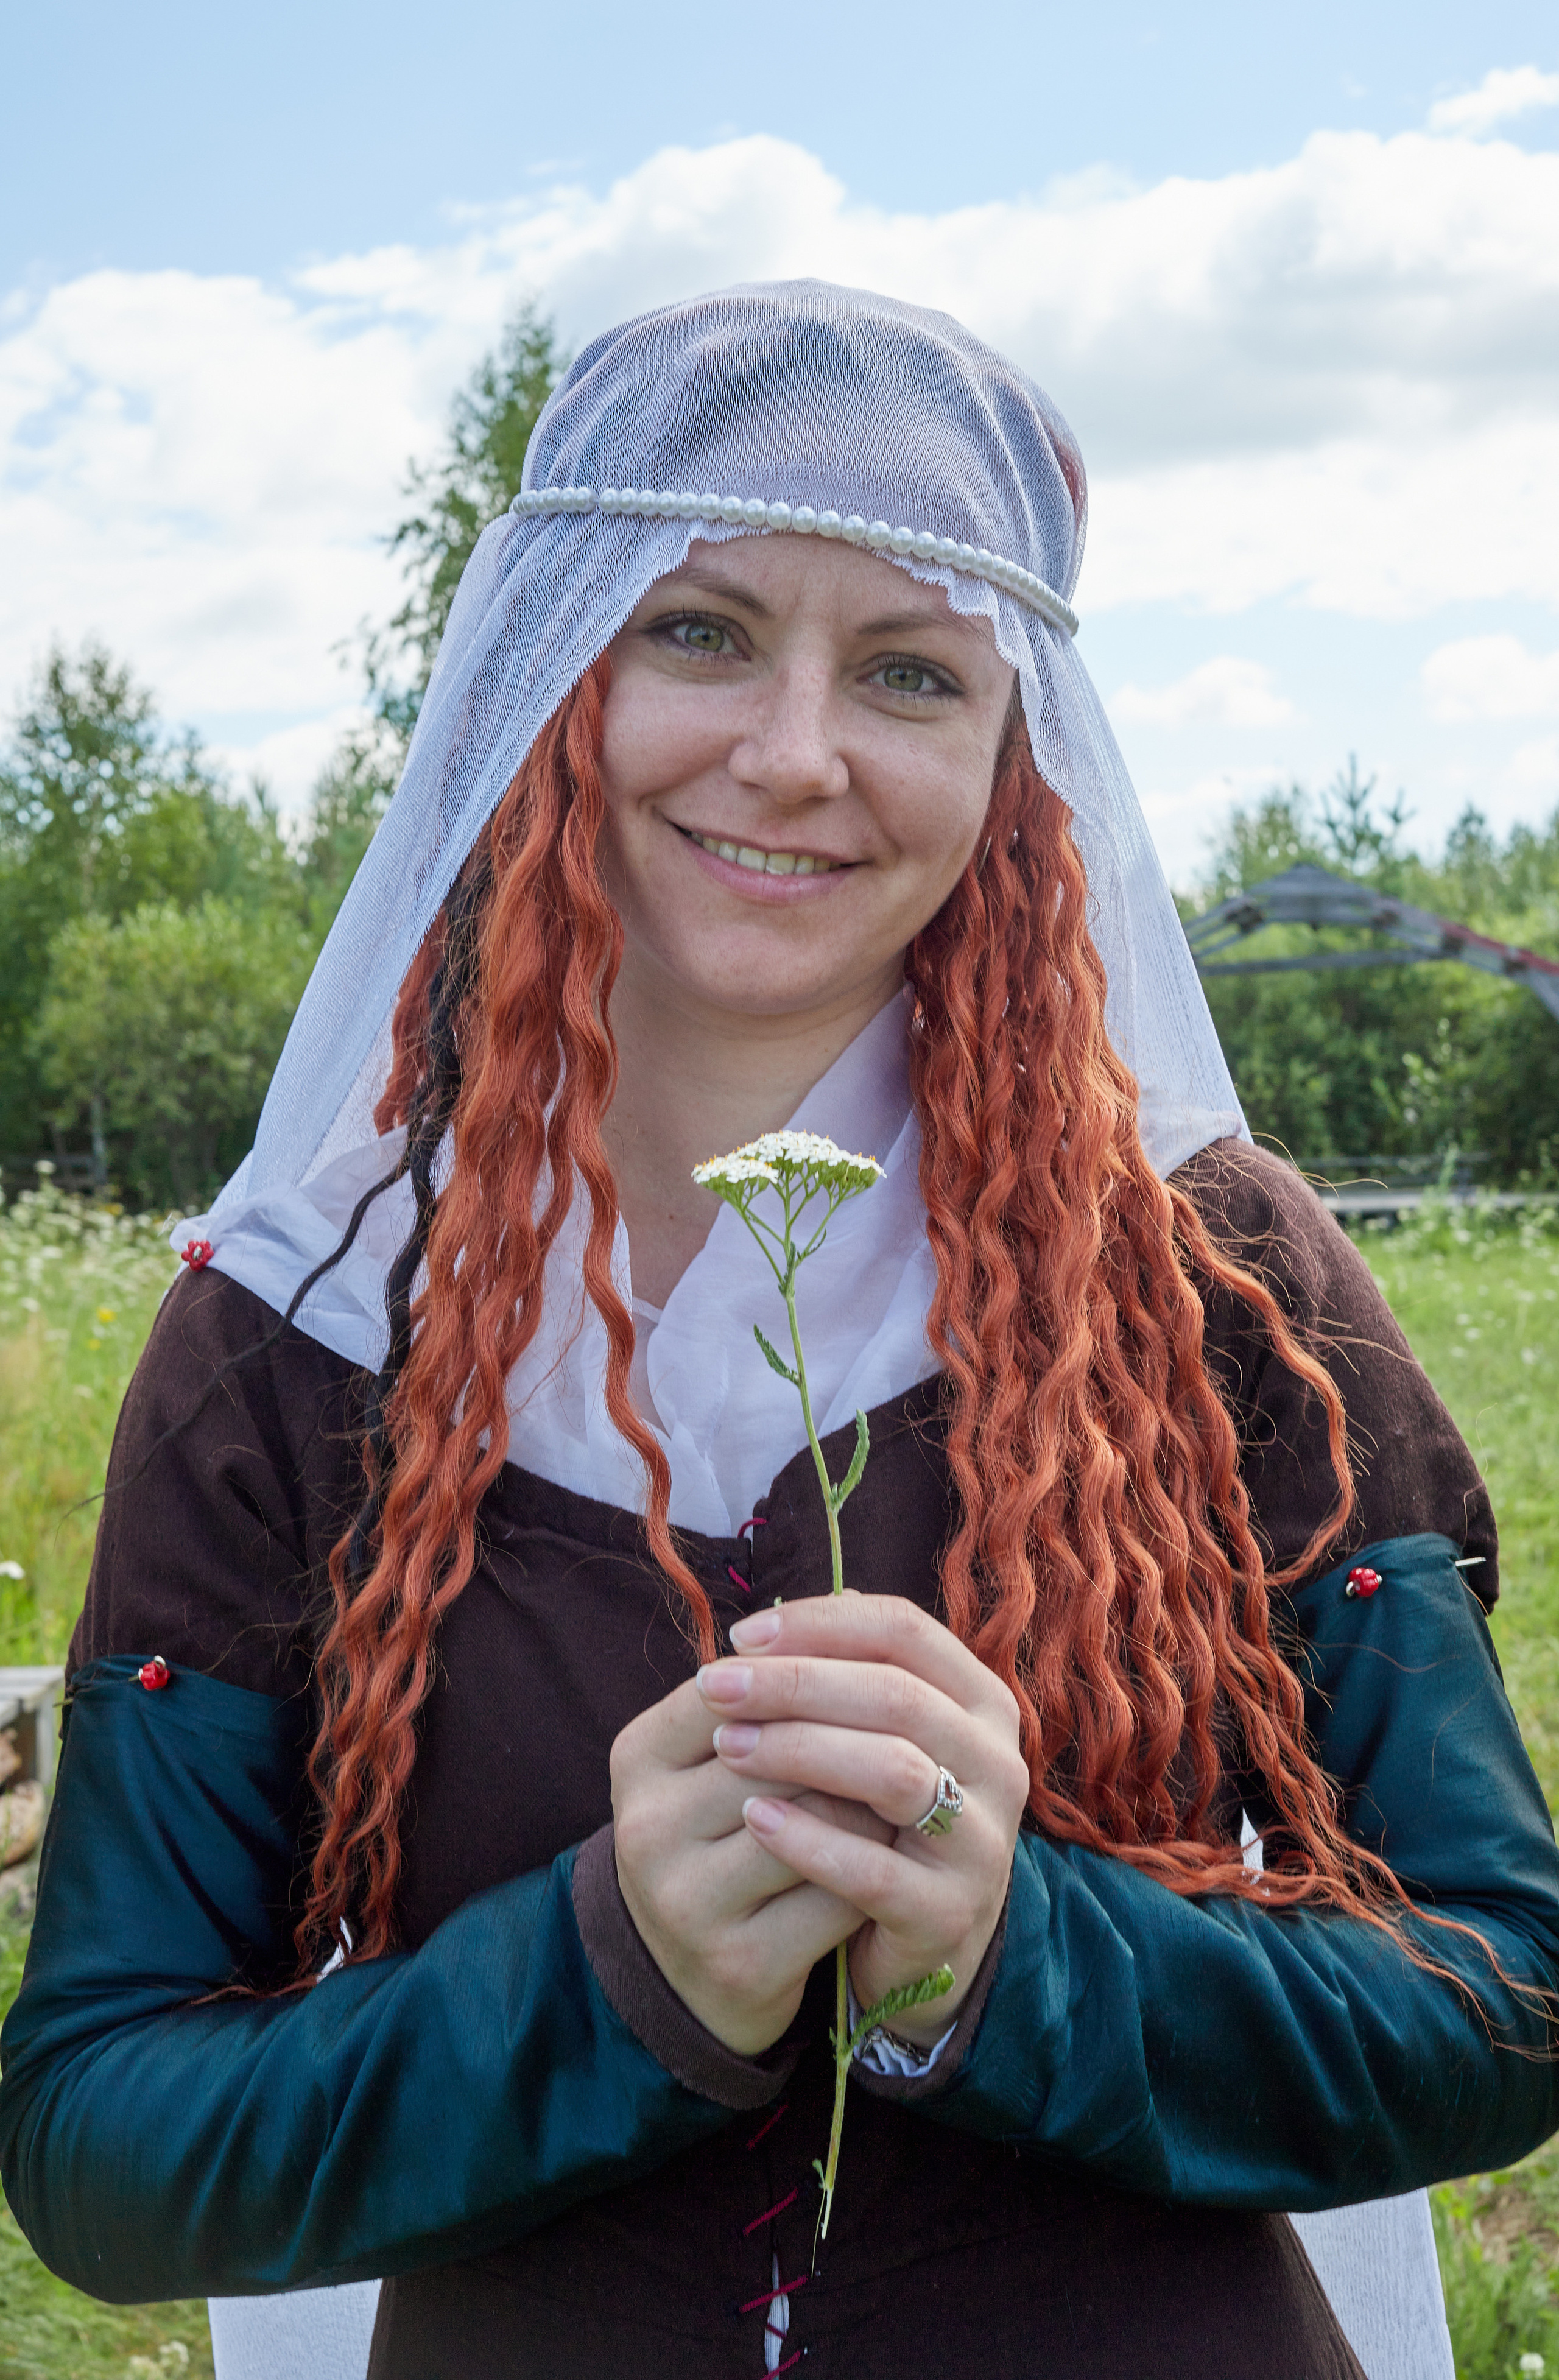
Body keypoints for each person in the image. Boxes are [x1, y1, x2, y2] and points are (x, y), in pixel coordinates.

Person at [2, 283, 1556, 2380]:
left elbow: (1507, 1987)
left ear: (1013, 758)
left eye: (908, 670)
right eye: (705, 630)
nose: (798, 752)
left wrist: (1022, 1965)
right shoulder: (301, 1331)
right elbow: (101, 2134)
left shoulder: (1223, 1285)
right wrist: (604, 1982)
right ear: (561, 668)